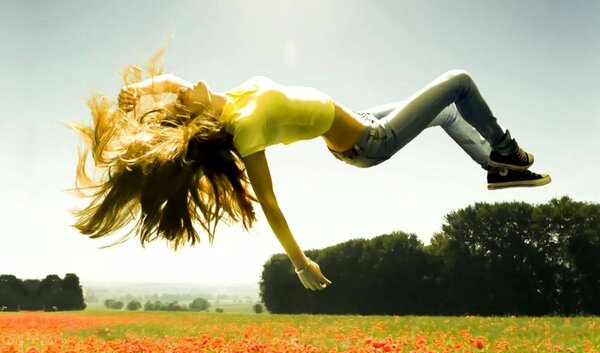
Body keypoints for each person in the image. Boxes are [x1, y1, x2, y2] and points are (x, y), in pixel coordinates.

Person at [70, 53, 550, 292]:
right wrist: (301, 263)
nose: (178, 89)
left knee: (446, 114)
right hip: (368, 142)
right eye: (178, 101)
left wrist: (141, 93)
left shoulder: (232, 97)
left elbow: (173, 82)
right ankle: (507, 153)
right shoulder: (244, 124)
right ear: (198, 119)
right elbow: (270, 203)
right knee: (458, 84)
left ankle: (497, 169)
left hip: (361, 116)